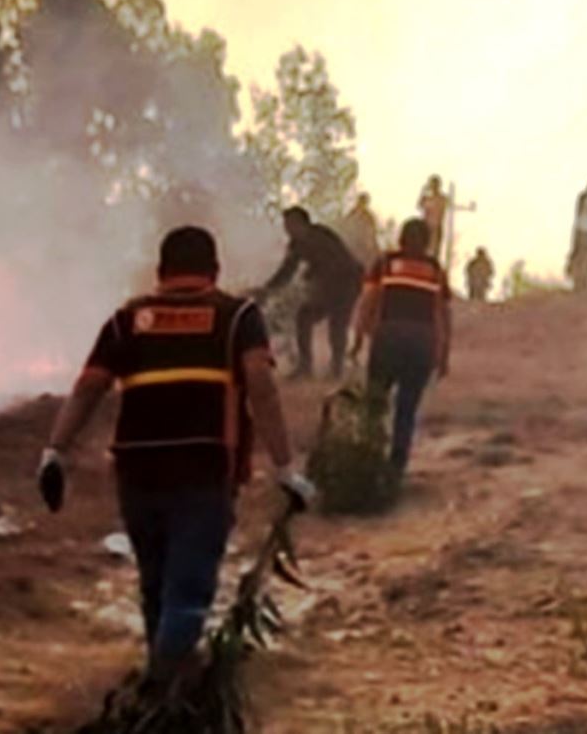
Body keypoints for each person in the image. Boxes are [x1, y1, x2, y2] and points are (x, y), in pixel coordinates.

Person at [36, 226, 315, 688]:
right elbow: (261, 388)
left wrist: (55, 451)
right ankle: (162, 695)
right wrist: (286, 468)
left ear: (161, 271)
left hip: (136, 472)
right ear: (214, 270)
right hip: (202, 471)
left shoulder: (127, 319)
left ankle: (162, 676)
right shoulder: (237, 315)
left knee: (156, 585)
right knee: (187, 593)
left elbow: (88, 387)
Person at [353, 219, 453, 479]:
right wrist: (443, 355)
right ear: (428, 242)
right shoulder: (434, 269)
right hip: (421, 342)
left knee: (375, 402)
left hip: (388, 337)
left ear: (401, 238)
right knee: (406, 408)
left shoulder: (385, 264)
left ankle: (367, 457)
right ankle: (396, 467)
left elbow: (368, 301)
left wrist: (358, 340)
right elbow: (442, 314)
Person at [255, 206, 365, 380]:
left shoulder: (320, 236)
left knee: (337, 325)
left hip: (347, 283)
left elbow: (337, 265)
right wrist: (267, 290)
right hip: (329, 284)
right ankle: (306, 366)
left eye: (290, 225)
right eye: (286, 225)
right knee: (304, 317)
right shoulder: (297, 244)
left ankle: (336, 368)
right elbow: (286, 272)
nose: (287, 229)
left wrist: (313, 278)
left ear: (302, 224)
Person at [339, 193, 381, 266]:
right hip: (355, 246)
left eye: (364, 202)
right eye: (362, 201)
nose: (362, 204)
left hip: (364, 247)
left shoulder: (368, 217)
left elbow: (372, 233)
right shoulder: (352, 215)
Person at [418, 176, 448, 259]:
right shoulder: (427, 198)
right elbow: (420, 205)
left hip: (436, 227)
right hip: (425, 227)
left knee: (433, 252)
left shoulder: (442, 198)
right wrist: (423, 192)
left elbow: (442, 207)